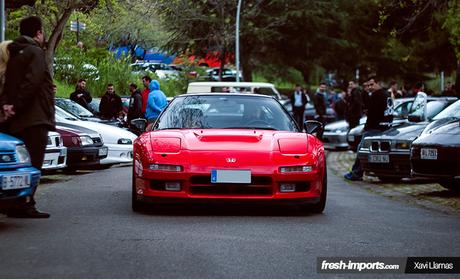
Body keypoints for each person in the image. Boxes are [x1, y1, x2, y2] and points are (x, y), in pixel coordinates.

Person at [0, 16, 54, 218]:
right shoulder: (36, 52)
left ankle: (15, 202)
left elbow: (5, 82)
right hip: (35, 118)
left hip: (16, 119)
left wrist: (8, 106)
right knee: (33, 163)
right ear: (38, 33)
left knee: (19, 164)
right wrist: (17, 104)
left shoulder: (12, 53)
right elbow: (33, 82)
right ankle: (25, 203)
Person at [344, 76, 392, 181]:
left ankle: (356, 173)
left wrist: (366, 128)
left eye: (372, 84)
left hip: (375, 127)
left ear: (378, 83)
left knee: (361, 149)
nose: (370, 87)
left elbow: (372, 115)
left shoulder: (376, 95)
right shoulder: (387, 94)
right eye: (368, 85)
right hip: (386, 127)